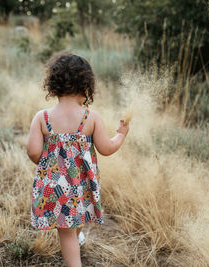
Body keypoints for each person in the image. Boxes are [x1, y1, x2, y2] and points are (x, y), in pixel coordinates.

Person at [26, 52, 129, 267]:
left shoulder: (42, 118)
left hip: (54, 185)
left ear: (53, 87)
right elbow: (107, 148)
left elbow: (33, 151)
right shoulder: (90, 118)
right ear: (86, 87)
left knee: (68, 228)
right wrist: (121, 134)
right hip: (80, 186)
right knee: (70, 227)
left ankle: (76, 237)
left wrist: (49, 165)